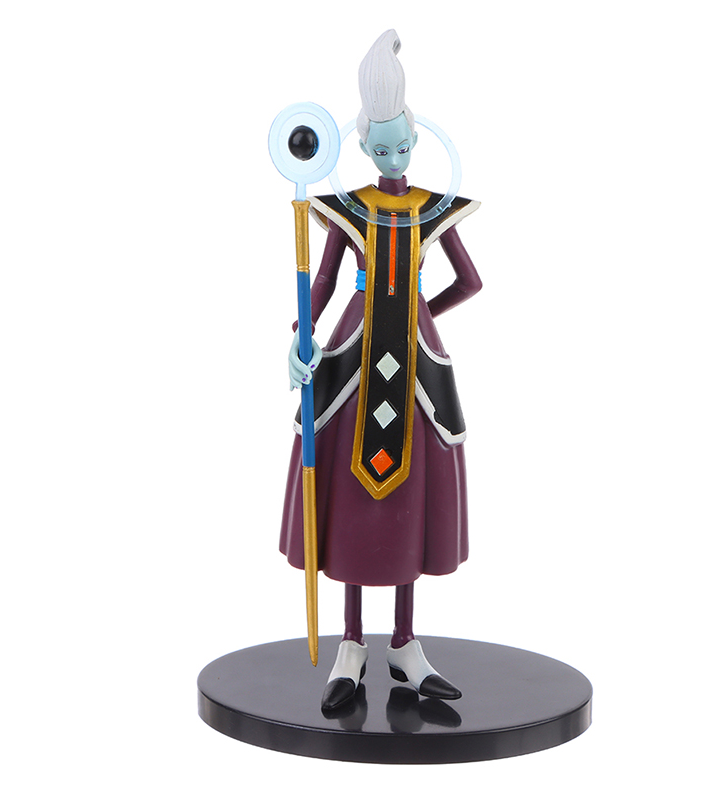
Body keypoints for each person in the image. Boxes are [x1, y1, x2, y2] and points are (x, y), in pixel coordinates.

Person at [280, 30, 482, 711]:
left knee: (410, 494)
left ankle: (404, 641)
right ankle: (351, 642)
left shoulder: (431, 208)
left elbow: (471, 281)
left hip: (414, 362)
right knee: (349, 495)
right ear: (365, 147)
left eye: (402, 147)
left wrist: (420, 313)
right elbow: (324, 282)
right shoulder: (351, 209)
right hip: (355, 359)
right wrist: (301, 337)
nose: (394, 157)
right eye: (382, 149)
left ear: (415, 140)